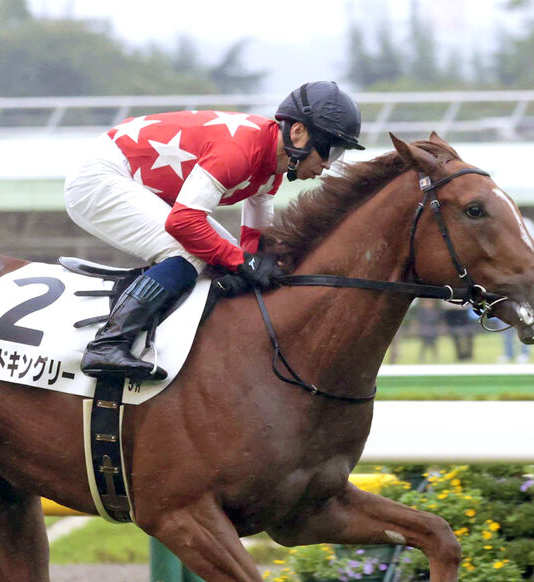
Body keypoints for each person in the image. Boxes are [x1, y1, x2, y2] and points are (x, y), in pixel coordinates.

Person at [65, 81, 365, 380]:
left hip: (130, 175)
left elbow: (253, 239)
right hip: (100, 176)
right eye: (329, 150)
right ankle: (108, 344)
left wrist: (259, 264)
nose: (327, 165)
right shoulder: (240, 150)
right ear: (298, 132)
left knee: (222, 250)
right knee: (189, 251)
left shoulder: (272, 166)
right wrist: (241, 262)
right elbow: (183, 223)